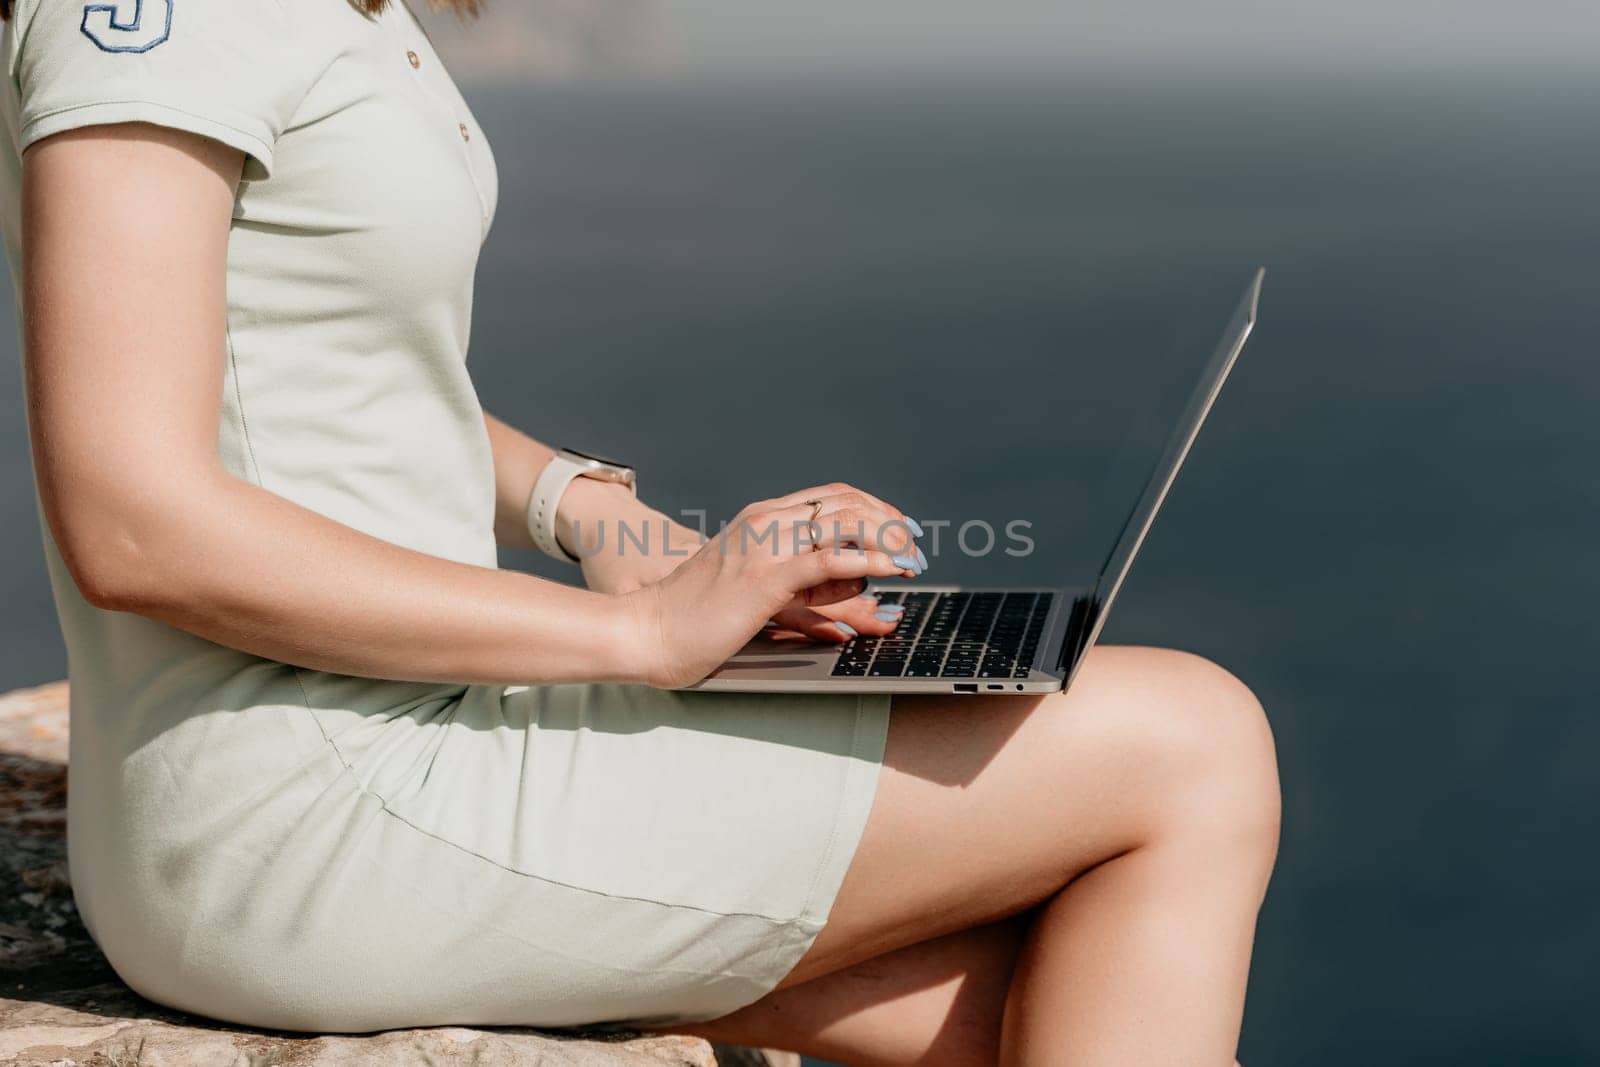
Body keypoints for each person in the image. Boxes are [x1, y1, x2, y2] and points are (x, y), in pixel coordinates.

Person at [0, 0, 1280, 1062]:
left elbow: (334, 372)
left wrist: (595, 516)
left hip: (379, 738)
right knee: (1189, 741)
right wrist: (641, 632)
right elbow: (134, 521)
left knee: (1054, 996)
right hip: (307, 810)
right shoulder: (168, 21)